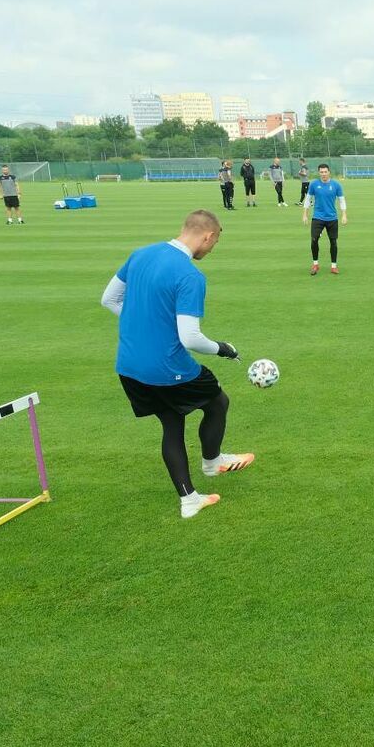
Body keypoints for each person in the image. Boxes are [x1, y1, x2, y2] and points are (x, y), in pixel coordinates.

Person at [99, 209, 254, 519]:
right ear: (208, 236)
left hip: (129, 366)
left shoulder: (141, 254)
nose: (212, 248)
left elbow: (110, 300)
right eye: (215, 242)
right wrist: (223, 348)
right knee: (217, 400)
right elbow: (190, 337)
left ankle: (189, 500)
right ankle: (212, 462)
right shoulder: (189, 275)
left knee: (171, 423)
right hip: (167, 367)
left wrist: (147, 325)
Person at [302, 163, 347, 275]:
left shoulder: (336, 185)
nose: (323, 174)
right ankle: (315, 264)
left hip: (332, 218)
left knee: (333, 242)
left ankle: (333, 266)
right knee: (314, 239)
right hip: (318, 217)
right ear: (319, 173)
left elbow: (341, 200)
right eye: (321, 172)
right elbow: (308, 199)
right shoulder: (314, 184)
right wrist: (305, 214)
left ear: (329, 172)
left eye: (325, 172)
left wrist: (344, 215)